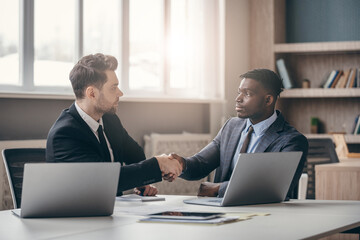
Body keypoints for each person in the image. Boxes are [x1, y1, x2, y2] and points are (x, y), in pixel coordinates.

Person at [46, 53, 182, 196]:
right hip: (77, 216)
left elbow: (135, 155)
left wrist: (144, 180)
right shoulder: (65, 134)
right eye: (113, 88)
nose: (120, 93)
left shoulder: (109, 119)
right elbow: (103, 179)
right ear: (92, 93)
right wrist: (159, 164)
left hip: (110, 211)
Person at [169, 69, 308, 199]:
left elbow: (273, 187)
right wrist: (180, 164)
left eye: (247, 94)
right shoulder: (231, 126)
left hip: (264, 215)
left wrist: (219, 188)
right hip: (220, 213)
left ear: (268, 100)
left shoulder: (292, 141)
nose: (238, 99)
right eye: (239, 92)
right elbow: (201, 163)